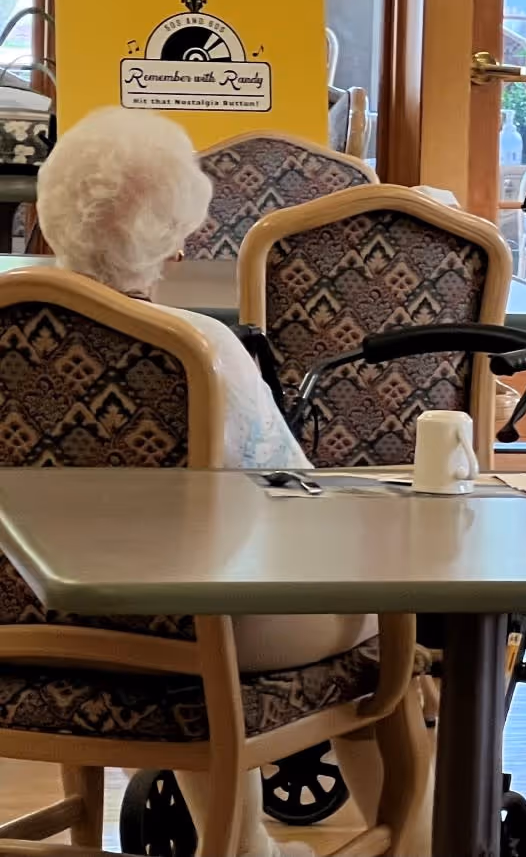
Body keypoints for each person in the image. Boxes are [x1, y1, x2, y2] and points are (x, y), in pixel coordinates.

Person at [35, 107, 412, 857]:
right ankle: (419, 842)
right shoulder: (200, 349)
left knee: (187, 618)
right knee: (379, 633)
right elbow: (286, 491)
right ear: (176, 237)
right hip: (187, 631)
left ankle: (247, 844)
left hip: (36, 626)